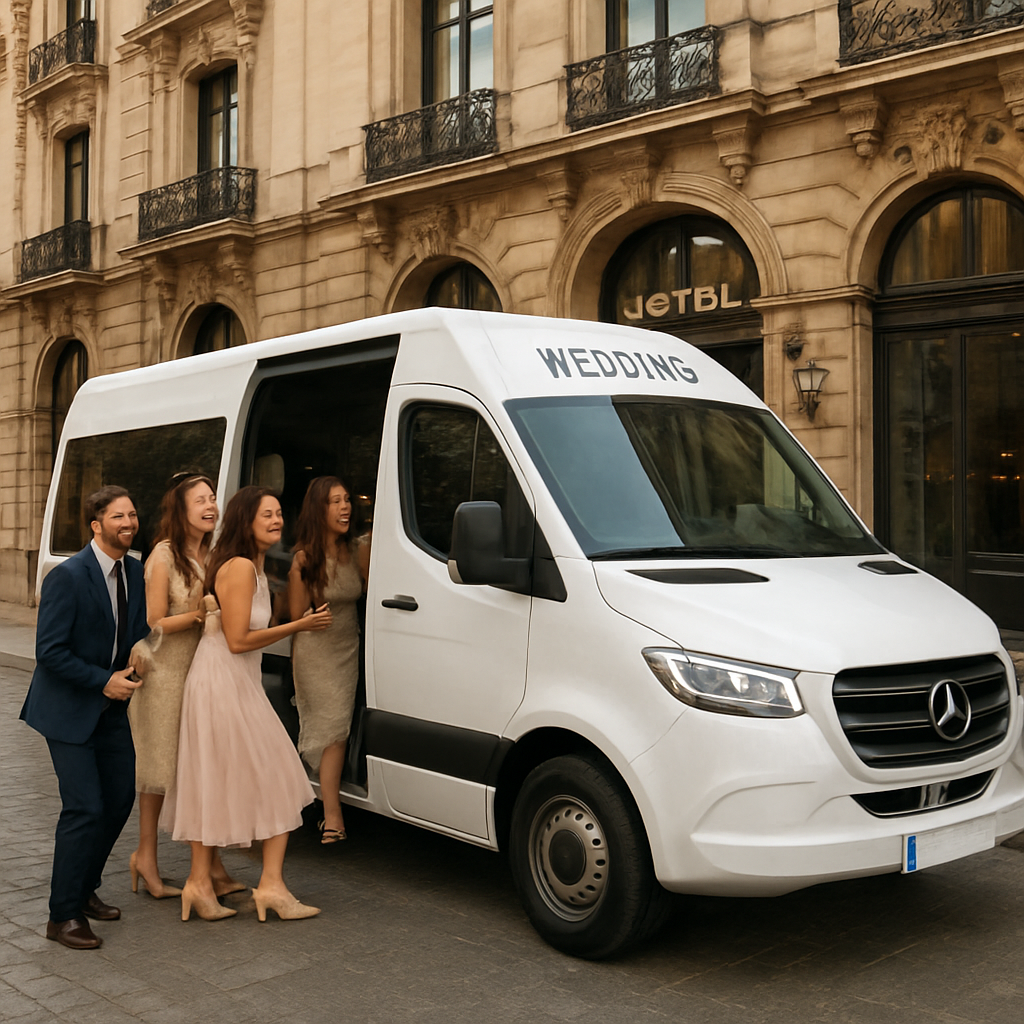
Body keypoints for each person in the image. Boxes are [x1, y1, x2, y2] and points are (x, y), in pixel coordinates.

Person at [160, 485, 332, 922]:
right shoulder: (238, 567)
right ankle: (269, 887)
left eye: (279, 514)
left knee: (217, 778)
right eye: (267, 515)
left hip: (236, 682)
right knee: (277, 774)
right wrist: (300, 625)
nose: (277, 521)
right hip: (222, 682)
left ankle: (202, 885)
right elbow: (238, 641)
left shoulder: (255, 567)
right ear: (246, 520)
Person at [20, 486, 149, 950]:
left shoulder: (135, 569)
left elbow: (137, 633)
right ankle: (63, 915)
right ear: (96, 525)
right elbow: (48, 651)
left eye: (132, 514)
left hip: (113, 708)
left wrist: (134, 671)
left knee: (117, 801)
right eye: (118, 517)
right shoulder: (68, 576)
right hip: (68, 711)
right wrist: (102, 680)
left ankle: (84, 886)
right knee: (85, 808)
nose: (129, 523)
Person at [127, 473, 243, 900]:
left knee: (197, 768)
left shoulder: (212, 553)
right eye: (201, 500)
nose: (211, 506)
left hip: (201, 672)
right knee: (158, 772)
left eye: (213, 498)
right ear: (181, 509)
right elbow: (154, 622)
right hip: (165, 673)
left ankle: (211, 865)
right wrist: (200, 613)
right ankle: (146, 858)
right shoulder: (162, 556)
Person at [288, 476, 368, 843]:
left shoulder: (358, 551)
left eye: (347, 500)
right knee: (332, 730)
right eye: (335, 501)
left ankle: (324, 804)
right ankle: (332, 814)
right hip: (315, 653)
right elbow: (295, 617)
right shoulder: (304, 558)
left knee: (339, 729)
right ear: (319, 510)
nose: (345, 507)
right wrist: (309, 617)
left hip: (347, 650)